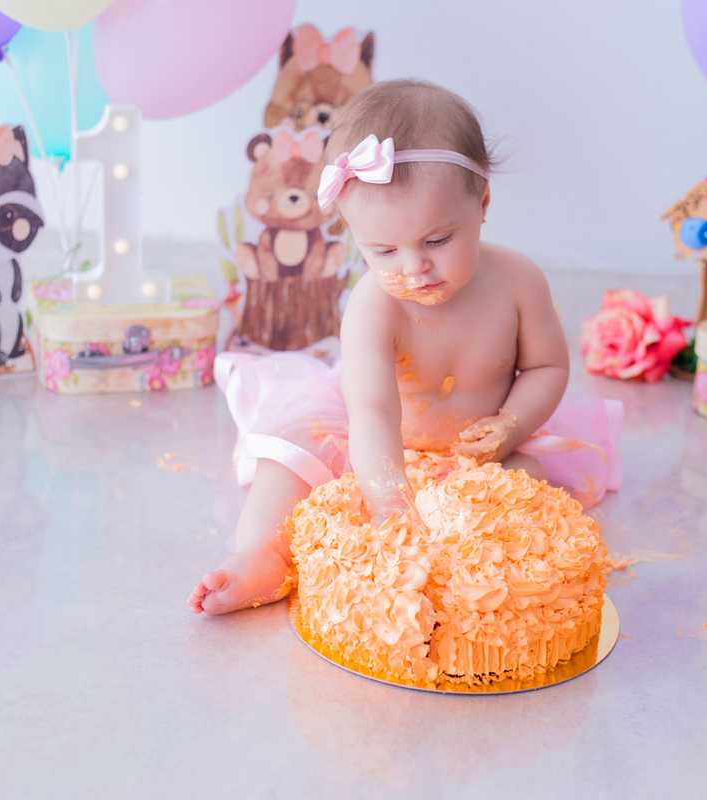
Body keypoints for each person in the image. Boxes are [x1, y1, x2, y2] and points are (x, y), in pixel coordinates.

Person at [189, 80, 622, 615]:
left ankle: (472, 579)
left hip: (480, 444)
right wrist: (389, 499)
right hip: (372, 435)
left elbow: (547, 367)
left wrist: (511, 424)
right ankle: (261, 556)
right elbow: (372, 408)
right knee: (291, 460)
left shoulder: (518, 281)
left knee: (525, 484)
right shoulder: (375, 306)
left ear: (482, 203)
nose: (414, 267)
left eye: (437, 240)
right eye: (384, 250)